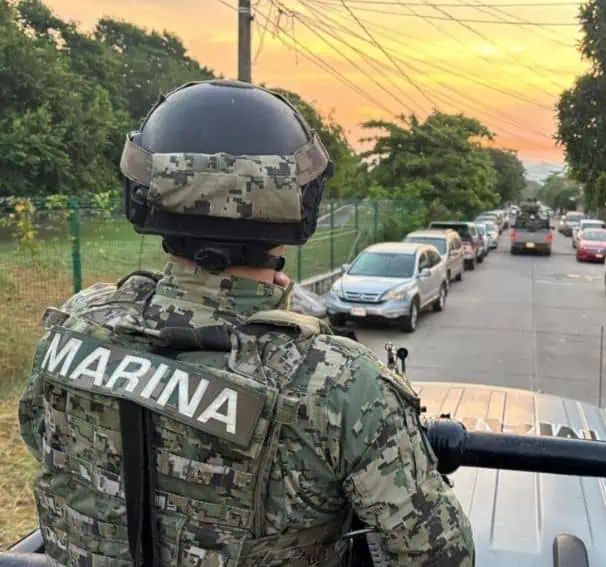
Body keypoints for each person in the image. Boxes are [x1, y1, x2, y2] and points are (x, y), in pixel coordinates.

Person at [18, 80, 474, 567]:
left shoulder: (78, 326)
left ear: (148, 198)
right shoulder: (339, 383)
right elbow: (441, 556)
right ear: (295, 208)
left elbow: (38, 434)